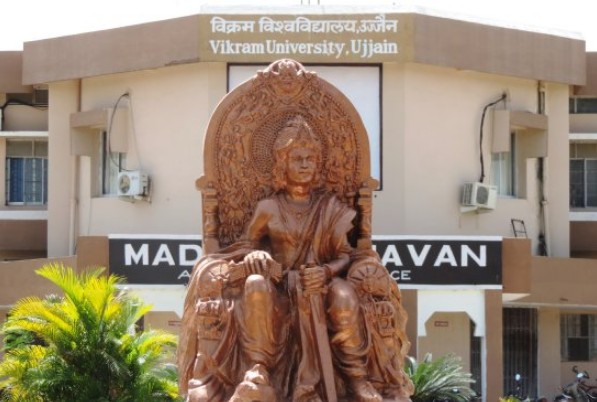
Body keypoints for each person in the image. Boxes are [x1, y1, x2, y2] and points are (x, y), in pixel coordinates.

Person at [178, 116, 412, 402]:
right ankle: (258, 368)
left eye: (310, 159)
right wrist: (256, 255)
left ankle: (357, 379)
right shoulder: (269, 208)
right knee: (255, 284)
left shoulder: (330, 207)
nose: (304, 165)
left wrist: (326, 272)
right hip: (279, 288)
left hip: (320, 286)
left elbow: (345, 255)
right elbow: (244, 246)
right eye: (297, 158)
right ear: (282, 163)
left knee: (344, 294)